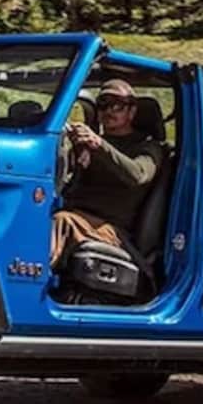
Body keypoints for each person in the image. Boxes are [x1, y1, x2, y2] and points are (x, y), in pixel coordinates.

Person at [51, 79, 163, 267]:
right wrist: (77, 151)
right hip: (78, 217)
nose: (108, 111)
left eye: (117, 105)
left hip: (112, 229)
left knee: (62, 222)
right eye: (103, 105)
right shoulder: (91, 144)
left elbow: (138, 175)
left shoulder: (149, 147)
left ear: (132, 111)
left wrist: (100, 146)